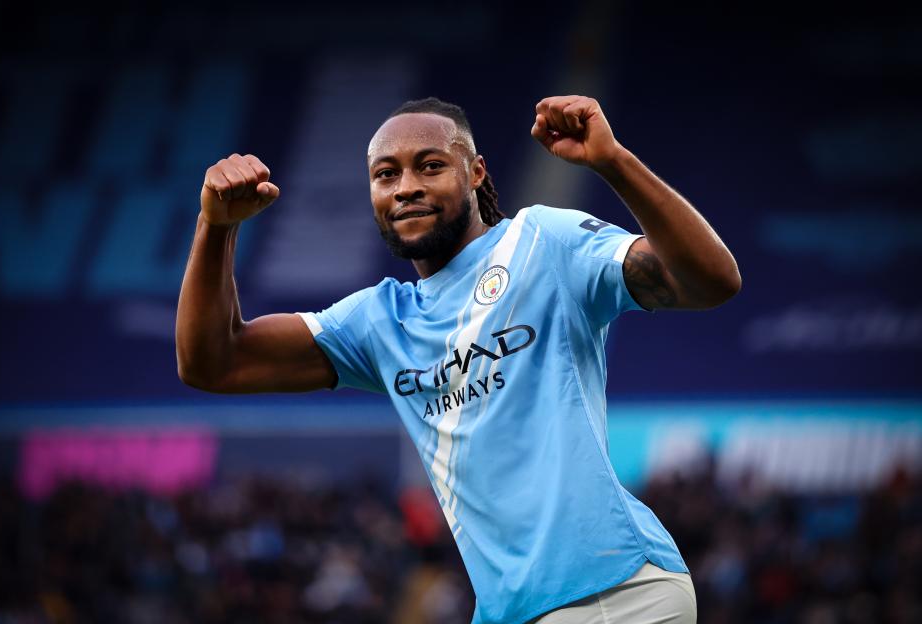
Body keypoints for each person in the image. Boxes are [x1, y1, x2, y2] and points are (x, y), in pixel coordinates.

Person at [176, 95, 741, 623]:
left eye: (429, 165)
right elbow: (214, 363)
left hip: (616, 590)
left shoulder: (543, 241)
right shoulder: (380, 321)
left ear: (475, 172)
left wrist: (614, 162)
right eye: (386, 174)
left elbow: (710, 281)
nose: (405, 187)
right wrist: (216, 227)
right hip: (513, 609)